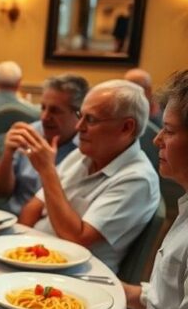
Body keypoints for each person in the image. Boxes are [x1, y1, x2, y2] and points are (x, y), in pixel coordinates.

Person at [45, 70, 188, 309]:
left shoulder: (138, 179)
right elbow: (171, 298)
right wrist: (125, 292)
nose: (156, 139)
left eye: (169, 130)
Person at [18, 80, 160, 272]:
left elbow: (77, 238)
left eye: (91, 119)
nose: (79, 127)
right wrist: (15, 249)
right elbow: (33, 208)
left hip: (76, 277)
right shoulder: (83, 154)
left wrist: (47, 171)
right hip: (35, 258)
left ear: (127, 127)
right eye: (80, 116)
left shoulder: (137, 179)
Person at [0, 74, 89, 214]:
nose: (44, 117)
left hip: (53, 227)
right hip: (14, 221)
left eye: (55, 111)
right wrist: (7, 154)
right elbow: (1, 192)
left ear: (79, 114)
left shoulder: (86, 147)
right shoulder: (29, 133)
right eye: (43, 108)